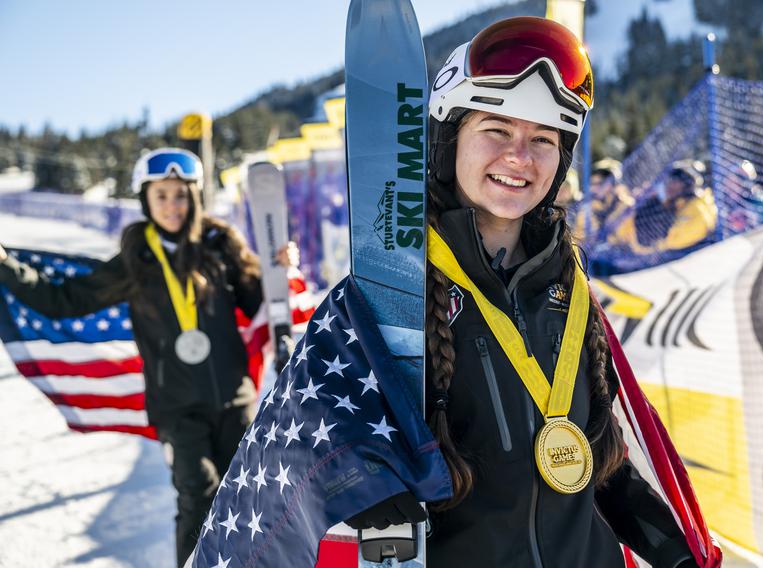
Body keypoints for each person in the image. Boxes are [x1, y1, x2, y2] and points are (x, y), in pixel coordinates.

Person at [344, 17, 697, 567]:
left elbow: (594, 460)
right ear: (448, 137)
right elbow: (307, 432)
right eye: (497, 130)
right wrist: (357, 472)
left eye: (543, 139)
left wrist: (675, 552)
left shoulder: (569, 287)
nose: (520, 156)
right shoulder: (390, 286)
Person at [0, 148, 297, 567]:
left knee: (247, 500)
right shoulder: (135, 260)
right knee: (197, 494)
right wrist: (7, 266)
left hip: (235, 398)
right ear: (146, 200)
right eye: (161, 196)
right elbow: (65, 300)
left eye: (180, 195)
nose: (172, 205)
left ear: (194, 196)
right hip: (176, 408)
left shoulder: (219, 245)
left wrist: (278, 269)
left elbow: (257, 303)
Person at [610, 159, 717, 255]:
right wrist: (637, 203)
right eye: (671, 179)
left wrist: (653, 248)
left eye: (678, 180)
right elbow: (618, 231)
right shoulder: (675, 205)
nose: (671, 184)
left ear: (689, 185)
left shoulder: (698, 208)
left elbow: (674, 241)